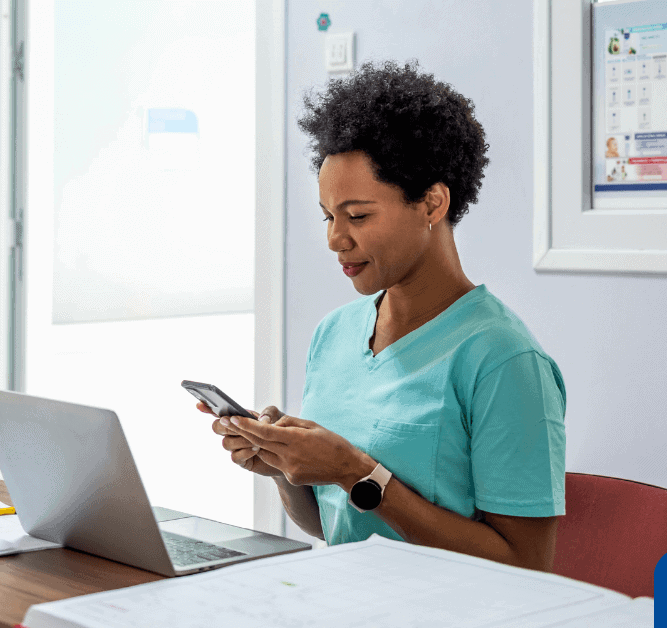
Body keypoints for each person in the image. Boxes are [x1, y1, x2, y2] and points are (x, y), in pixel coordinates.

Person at [198, 61, 565, 572]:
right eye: (328, 216)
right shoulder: (335, 334)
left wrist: (356, 473)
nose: (334, 239)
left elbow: (525, 567)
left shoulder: (503, 360)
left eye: (358, 216)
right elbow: (333, 526)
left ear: (432, 203)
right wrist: (285, 466)